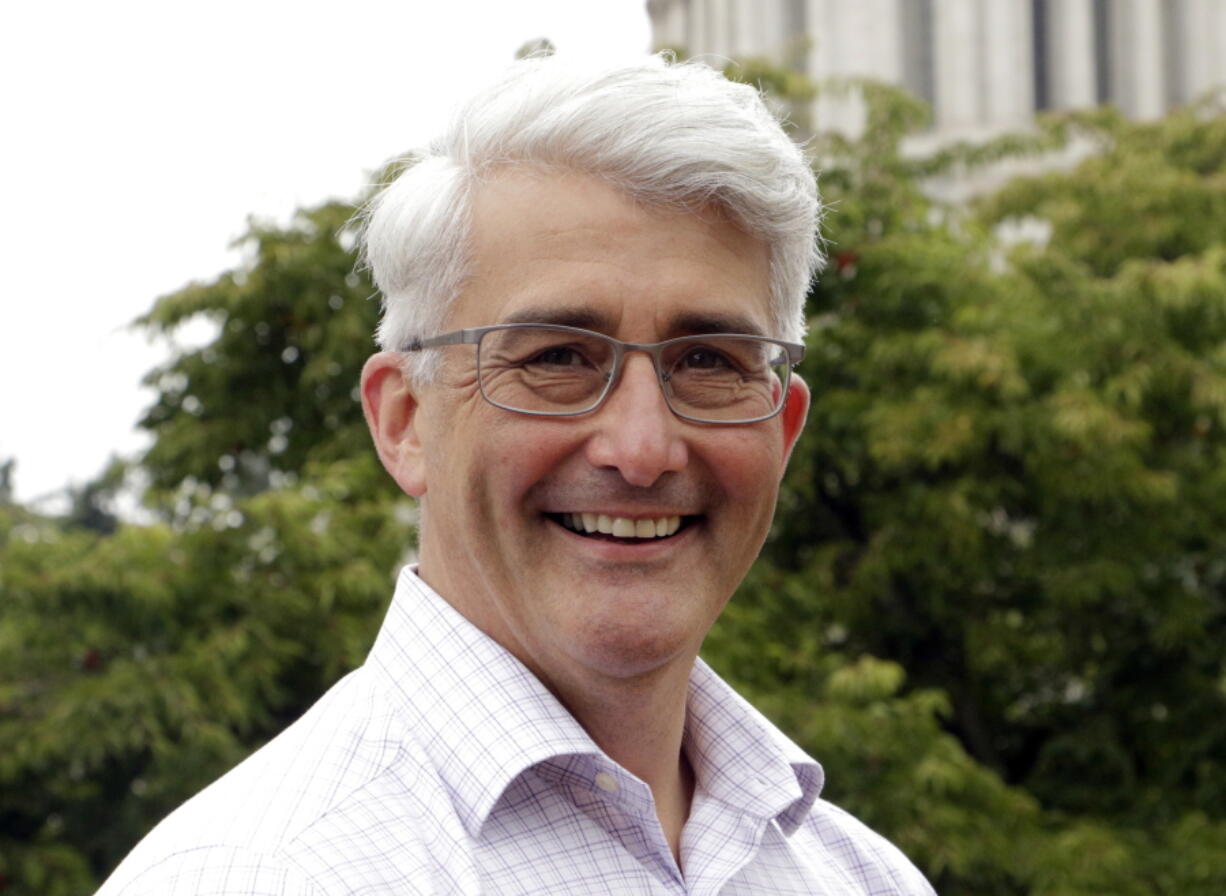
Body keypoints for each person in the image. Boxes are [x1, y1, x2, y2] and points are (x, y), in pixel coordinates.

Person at [98, 54, 936, 895]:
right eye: (558, 358)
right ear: (406, 420)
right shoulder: (255, 876)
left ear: (783, 431)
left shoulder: (861, 878)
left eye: (710, 361)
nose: (640, 450)